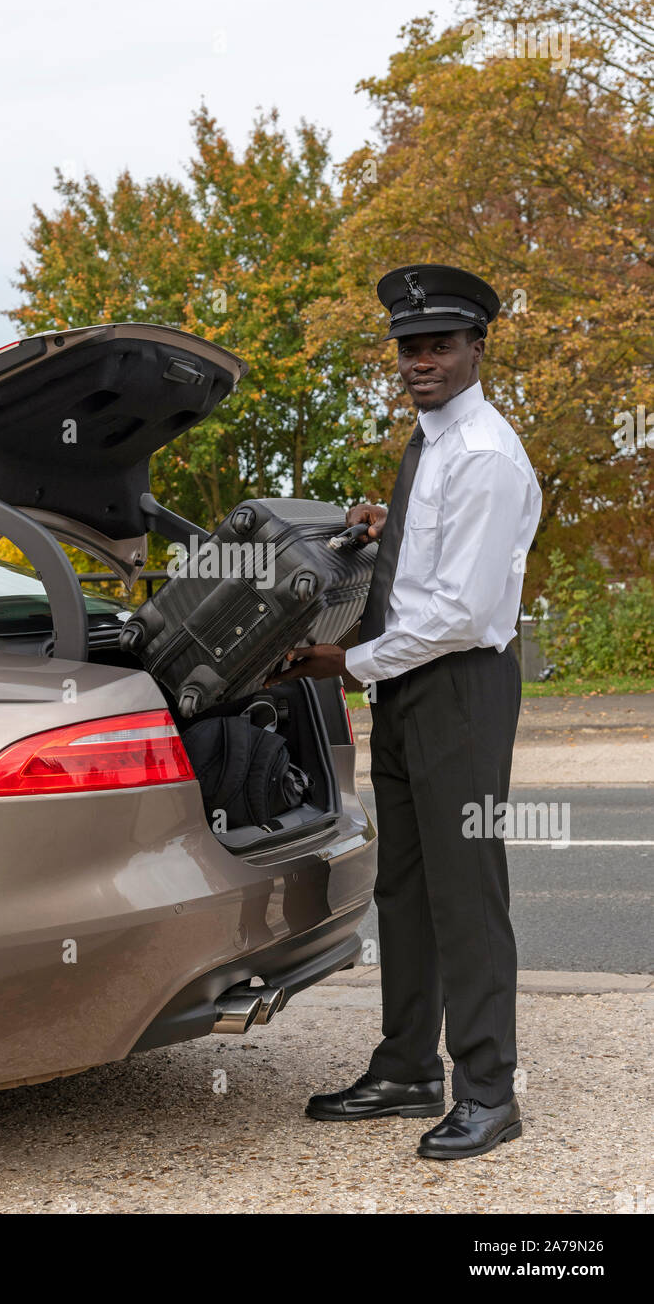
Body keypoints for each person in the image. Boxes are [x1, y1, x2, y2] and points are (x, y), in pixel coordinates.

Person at [264, 264, 542, 1160]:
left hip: (459, 686)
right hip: (410, 684)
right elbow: (431, 569)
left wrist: (345, 662)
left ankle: (488, 1091)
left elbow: (458, 613)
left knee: (465, 892)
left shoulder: (484, 455)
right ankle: (405, 1068)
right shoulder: (429, 447)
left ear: (475, 349)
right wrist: (390, 535)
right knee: (406, 886)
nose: (419, 360)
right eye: (408, 348)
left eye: (438, 345)